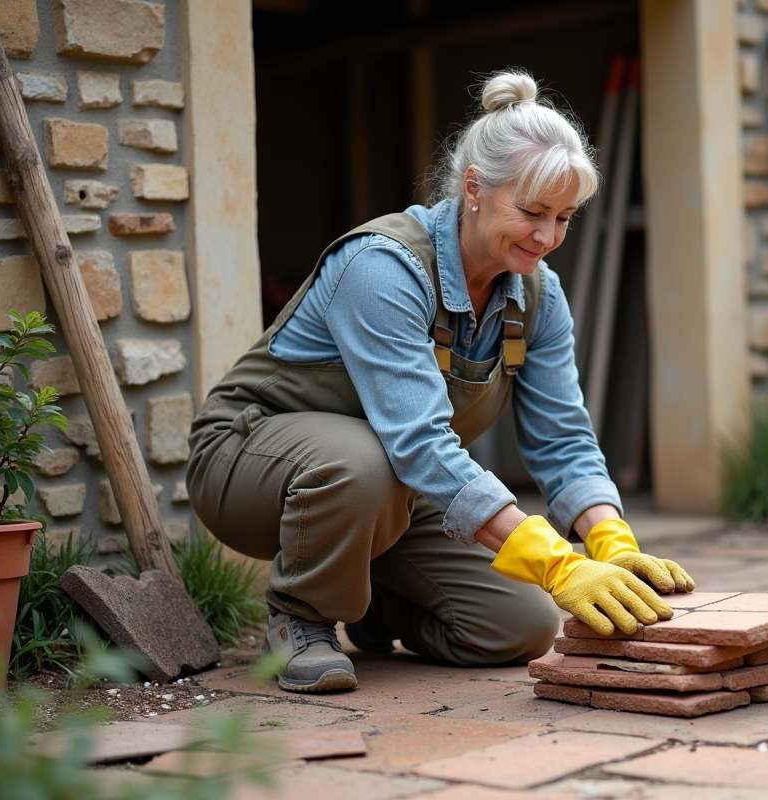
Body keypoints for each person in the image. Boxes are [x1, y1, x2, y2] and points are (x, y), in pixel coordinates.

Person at [186, 69, 695, 694]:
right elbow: (421, 442)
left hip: (394, 482)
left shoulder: (538, 297)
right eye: (533, 212)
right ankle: (303, 618)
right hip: (251, 459)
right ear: (475, 188)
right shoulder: (382, 268)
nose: (548, 237)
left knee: (518, 627)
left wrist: (610, 540)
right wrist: (559, 563)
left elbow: (563, 438)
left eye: (564, 217)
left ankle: (370, 604)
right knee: (361, 462)